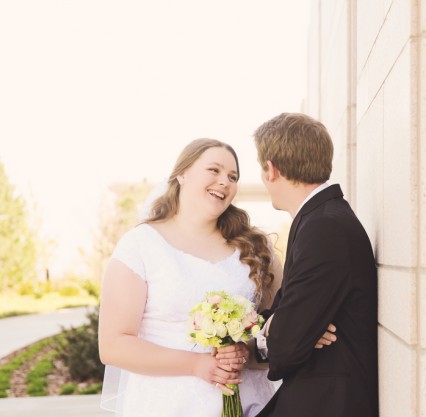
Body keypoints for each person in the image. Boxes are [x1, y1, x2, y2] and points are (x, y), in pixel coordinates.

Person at [98, 139, 282, 417]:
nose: (225, 182)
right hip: (167, 406)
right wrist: (197, 364)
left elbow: (277, 327)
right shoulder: (141, 245)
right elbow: (113, 346)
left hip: (250, 405)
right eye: (214, 170)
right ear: (182, 174)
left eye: (233, 177)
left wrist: (245, 351)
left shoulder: (256, 248)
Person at [251, 113, 379, 417]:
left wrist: (285, 330)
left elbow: (285, 346)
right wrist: (282, 326)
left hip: (331, 405)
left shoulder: (324, 228)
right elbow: (283, 321)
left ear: (271, 169)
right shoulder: (319, 219)